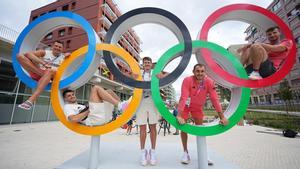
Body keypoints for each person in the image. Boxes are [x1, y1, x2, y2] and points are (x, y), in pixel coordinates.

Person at [176, 64, 228, 165]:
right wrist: (179, 115)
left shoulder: (209, 81)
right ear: (193, 71)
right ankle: (185, 152)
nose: (200, 73)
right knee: (183, 128)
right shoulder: (187, 80)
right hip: (186, 106)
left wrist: (222, 117)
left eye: (202, 71)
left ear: (205, 72)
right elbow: (184, 97)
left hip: (197, 107)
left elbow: (214, 99)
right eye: (198, 71)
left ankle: (204, 153)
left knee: (200, 129)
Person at [17, 41, 70, 110]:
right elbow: (28, 54)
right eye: (56, 46)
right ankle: (44, 74)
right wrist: (43, 63)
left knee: (51, 71)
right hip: (38, 72)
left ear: (62, 49)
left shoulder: (63, 58)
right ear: (52, 47)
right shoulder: (45, 52)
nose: (57, 48)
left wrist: (70, 56)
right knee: (19, 56)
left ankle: (31, 100)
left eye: (60, 47)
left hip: (50, 77)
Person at [134, 56, 167, 166]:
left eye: (149, 62)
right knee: (142, 127)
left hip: (153, 100)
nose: (147, 64)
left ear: (151, 64)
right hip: (141, 100)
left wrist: (162, 73)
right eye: (145, 62)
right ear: (143, 64)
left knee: (153, 126)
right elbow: (128, 77)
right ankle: (143, 152)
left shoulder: (155, 74)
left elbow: (169, 75)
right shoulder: (139, 74)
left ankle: (153, 152)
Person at [63, 85, 128, 126]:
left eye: (72, 94)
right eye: (69, 96)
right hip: (93, 119)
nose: (72, 96)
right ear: (65, 99)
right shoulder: (68, 106)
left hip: (104, 116)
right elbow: (73, 119)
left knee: (109, 91)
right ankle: (120, 106)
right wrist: (88, 111)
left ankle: (123, 108)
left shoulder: (79, 104)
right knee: (96, 88)